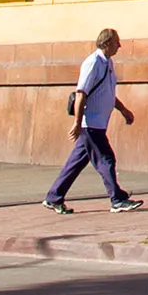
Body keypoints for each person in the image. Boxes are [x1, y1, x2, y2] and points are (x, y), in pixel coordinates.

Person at [44, 28, 140, 214]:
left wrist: (123, 110)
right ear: (106, 43)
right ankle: (117, 199)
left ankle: (54, 197)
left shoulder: (108, 63)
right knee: (106, 159)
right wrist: (77, 122)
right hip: (91, 124)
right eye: (116, 42)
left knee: (76, 163)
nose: (119, 46)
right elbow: (81, 93)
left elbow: (107, 93)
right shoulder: (93, 62)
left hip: (98, 123)